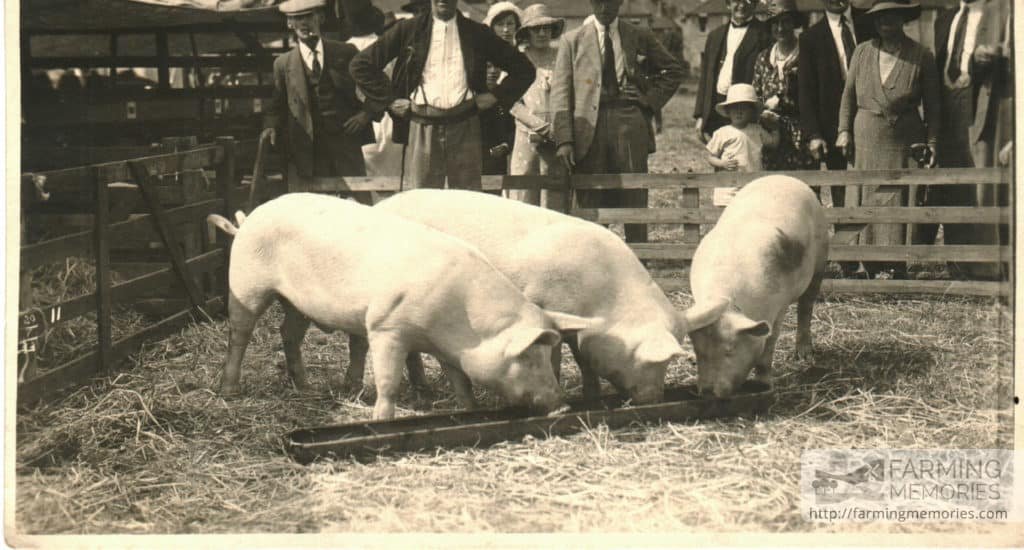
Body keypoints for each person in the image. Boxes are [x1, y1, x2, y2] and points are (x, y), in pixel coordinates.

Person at [350, 0, 535, 190]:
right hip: (422, 126)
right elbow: (361, 65)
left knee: (466, 198)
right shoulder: (410, 29)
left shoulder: (477, 33)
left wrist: (496, 96)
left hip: (465, 126)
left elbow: (524, 70)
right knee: (423, 198)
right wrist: (389, 100)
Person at [551, 0, 683, 244]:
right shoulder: (572, 40)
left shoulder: (638, 34)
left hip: (628, 122)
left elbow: (673, 70)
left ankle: (638, 258)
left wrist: (648, 99)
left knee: (633, 193)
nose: (604, 8)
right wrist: (565, 139)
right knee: (590, 198)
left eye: (611, 2)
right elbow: (560, 92)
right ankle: (592, 258)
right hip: (588, 128)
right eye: (598, 2)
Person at [837, 0, 940, 279]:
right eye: (880, 18)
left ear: (903, 19)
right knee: (865, 194)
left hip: (904, 140)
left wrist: (931, 144)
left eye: (892, 17)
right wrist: (843, 131)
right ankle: (862, 262)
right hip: (865, 137)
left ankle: (896, 262)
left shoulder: (921, 55)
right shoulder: (861, 52)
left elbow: (933, 107)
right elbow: (847, 96)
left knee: (896, 198)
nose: (886, 23)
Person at [914, 0, 1011, 279]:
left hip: (982, 107)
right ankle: (957, 264)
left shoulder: (1002, 12)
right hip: (948, 109)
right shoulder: (944, 18)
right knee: (953, 185)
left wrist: (997, 56)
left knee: (980, 188)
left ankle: (986, 266)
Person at [263, 0, 376, 196]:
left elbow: (376, 87)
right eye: (298, 19)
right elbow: (276, 104)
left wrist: (365, 115)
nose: (304, 24)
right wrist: (270, 127)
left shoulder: (346, 52)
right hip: (309, 151)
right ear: (290, 23)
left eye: (309, 16)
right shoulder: (282, 64)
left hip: (345, 146)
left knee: (357, 211)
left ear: (321, 18)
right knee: (315, 212)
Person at [798, 0, 877, 210]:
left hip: (875, 122)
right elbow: (806, 91)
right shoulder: (810, 39)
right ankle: (848, 241)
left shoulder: (871, 22)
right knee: (844, 197)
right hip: (833, 130)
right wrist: (814, 134)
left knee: (876, 190)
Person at [508, 3, 567, 209]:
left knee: (554, 197)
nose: (542, 33)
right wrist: (538, 125)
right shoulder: (517, 59)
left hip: (557, 136)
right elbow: (511, 102)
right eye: (536, 29)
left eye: (546, 28)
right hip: (527, 135)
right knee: (525, 195)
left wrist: (558, 129)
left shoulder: (563, 56)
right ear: (527, 32)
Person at [693, 0, 771, 143]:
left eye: (747, 1)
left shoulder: (765, 34)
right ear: (728, 4)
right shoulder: (714, 36)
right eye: (736, 0)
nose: (741, 5)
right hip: (717, 107)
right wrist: (700, 115)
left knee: (745, 158)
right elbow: (705, 78)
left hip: (746, 110)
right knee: (722, 159)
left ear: (754, 5)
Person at [750, 0, 814, 171]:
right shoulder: (763, 58)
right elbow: (756, 96)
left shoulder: (807, 55)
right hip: (771, 138)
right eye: (775, 23)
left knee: (801, 192)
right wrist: (764, 112)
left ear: (794, 23)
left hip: (800, 139)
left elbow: (814, 98)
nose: (780, 28)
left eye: (785, 22)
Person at [346, 6, 405, 180]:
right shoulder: (388, 47)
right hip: (390, 119)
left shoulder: (343, 49)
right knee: (394, 176)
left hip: (361, 121)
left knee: (366, 179)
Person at [704, 83, 780, 205]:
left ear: (751, 112)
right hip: (728, 185)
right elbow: (710, 156)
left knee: (750, 215)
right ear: (728, 111)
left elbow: (773, 143)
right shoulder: (722, 132)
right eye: (735, 108)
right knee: (727, 217)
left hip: (752, 183)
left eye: (743, 108)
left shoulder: (757, 130)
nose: (739, 112)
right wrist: (722, 163)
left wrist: (775, 127)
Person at [480, 2, 524, 180]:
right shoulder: (482, 55)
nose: (506, 30)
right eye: (500, 24)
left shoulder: (523, 57)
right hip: (492, 130)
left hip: (518, 126)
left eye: (510, 24)